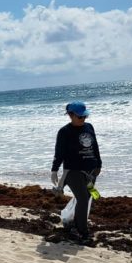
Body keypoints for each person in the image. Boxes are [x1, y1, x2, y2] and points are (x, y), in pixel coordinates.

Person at [51, 101, 102, 245]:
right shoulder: (64, 132)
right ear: (70, 115)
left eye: (84, 117)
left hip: (91, 170)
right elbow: (59, 152)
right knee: (83, 199)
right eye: (80, 117)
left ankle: (74, 222)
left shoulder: (89, 127)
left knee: (90, 196)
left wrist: (99, 164)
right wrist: (54, 170)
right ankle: (83, 232)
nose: (83, 119)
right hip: (73, 171)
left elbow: (95, 146)